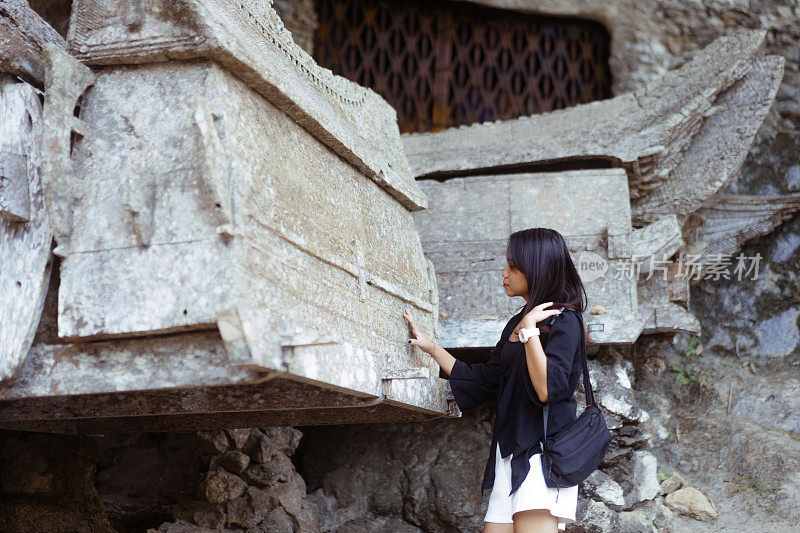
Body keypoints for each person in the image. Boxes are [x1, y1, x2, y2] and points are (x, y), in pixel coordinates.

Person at [403, 227, 589, 533]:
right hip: (511, 452)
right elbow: (487, 380)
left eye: (513, 267)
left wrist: (529, 333)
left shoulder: (565, 322)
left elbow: (548, 390)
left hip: (542, 455)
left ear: (537, 269)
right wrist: (432, 348)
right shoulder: (517, 323)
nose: (504, 273)